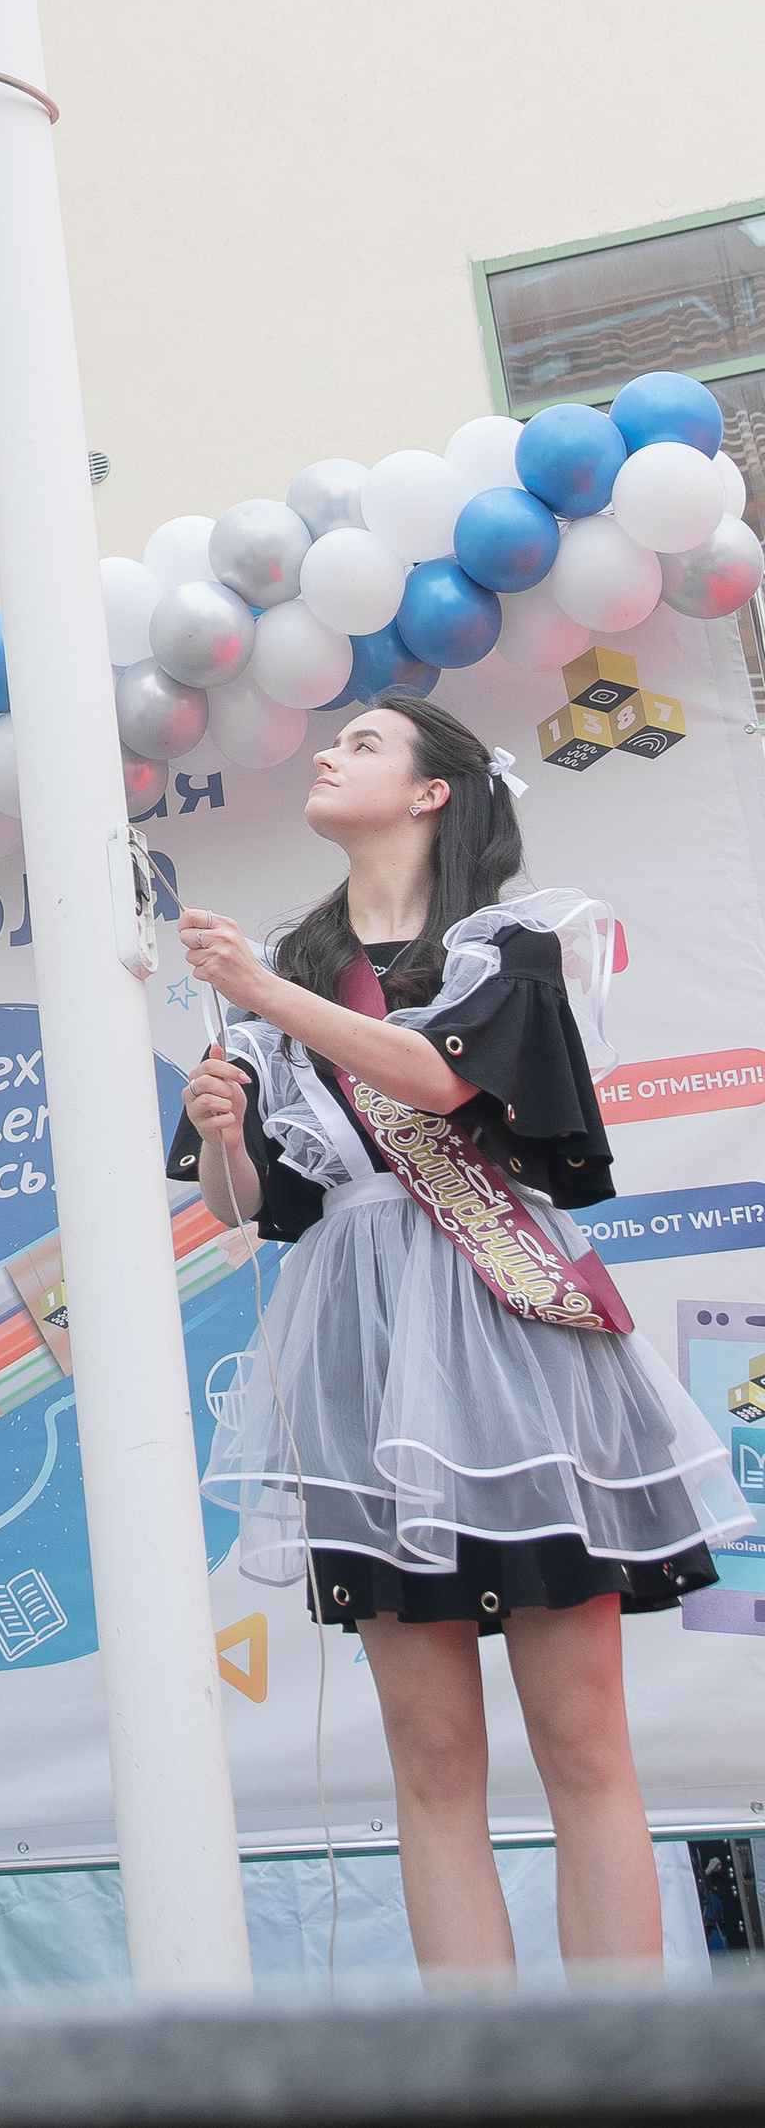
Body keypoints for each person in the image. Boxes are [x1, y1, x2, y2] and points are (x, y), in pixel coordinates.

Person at [175, 696, 748, 1981]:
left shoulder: (518, 942)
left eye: (364, 743)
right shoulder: (288, 975)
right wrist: (221, 1131)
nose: (327, 751)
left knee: (581, 1736)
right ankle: (479, 2079)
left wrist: (260, 991)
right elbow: (259, 1205)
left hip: (509, 1343)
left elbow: (440, 1082)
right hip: (362, 1359)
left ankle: (617, 2072)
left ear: (435, 791)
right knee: (428, 1760)